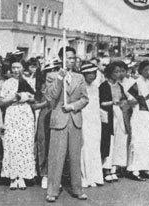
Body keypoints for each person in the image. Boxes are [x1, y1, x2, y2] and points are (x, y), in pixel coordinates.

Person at [45, 46, 89, 202]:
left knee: (75, 156)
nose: (71, 60)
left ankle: (78, 189)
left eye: (73, 57)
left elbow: (85, 99)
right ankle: (52, 190)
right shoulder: (52, 75)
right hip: (59, 121)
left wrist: (72, 106)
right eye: (68, 57)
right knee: (56, 157)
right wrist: (59, 78)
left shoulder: (80, 77)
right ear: (62, 59)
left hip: (75, 120)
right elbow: (51, 97)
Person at [0, 56, 36, 190]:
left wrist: (25, 97)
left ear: (22, 68)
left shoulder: (27, 81)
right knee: (12, 144)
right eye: (13, 68)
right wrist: (14, 97)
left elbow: (33, 98)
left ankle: (22, 176)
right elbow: (1, 101)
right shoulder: (7, 83)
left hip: (25, 114)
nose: (16, 70)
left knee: (24, 143)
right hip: (12, 113)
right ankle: (13, 177)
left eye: (18, 67)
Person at [100, 61, 129, 183]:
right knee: (109, 141)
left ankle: (114, 168)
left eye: (119, 71)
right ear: (110, 73)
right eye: (115, 72)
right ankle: (106, 169)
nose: (118, 74)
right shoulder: (104, 86)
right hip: (109, 115)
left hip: (119, 114)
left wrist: (122, 103)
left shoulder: (120, 86)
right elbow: (101, 103)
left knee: (119, 140)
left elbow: (123, 100)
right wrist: (113, 102)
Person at [34, 58, 61, 190]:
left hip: (59, 114)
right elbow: (34, 105)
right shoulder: (40, 87)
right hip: (45, 114)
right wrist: (45, 103)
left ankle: (55, 175)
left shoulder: (62, 84)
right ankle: (44, 174)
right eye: (50, 71)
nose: (53, 73)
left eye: (56, 69)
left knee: (57, 145)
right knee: (44, 143)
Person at [127, 61, 149, 181]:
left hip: (146, 115)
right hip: (138, 114)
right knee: (137, 140)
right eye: (146, 70)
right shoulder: (136, 82)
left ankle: (146, 168)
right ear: (141, 70)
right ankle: (134, 170)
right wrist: (143, 98)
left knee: (146, 141)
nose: (148, 72)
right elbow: (130, 100)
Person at [80, 62, 104, 188]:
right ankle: (85, 177)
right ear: (84, 74)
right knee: (85, 147)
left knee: (94, 146)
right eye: (90, 73)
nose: (92, 75)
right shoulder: (80, 86)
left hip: (95, 120)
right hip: (84, 119)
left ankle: (95, 176)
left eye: (94, 73)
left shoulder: (96, 87)